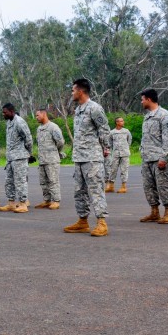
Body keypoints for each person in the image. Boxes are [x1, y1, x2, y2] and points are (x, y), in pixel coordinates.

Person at [63, 79, 111, 237]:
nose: (72, 93)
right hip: (79, 157)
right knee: (79, 191)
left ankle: (102, 222)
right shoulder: (78, 110)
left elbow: (104, 129)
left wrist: (106, 149)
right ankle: (82, 221)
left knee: (96, 190)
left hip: (92, 158)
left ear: (81, 91)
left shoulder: (94, 108)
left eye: (73, 90)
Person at [138, 89, 168, 224]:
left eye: (142, 99)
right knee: (148, 186)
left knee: (163, 186)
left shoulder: (165, 115)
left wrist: (164, 158)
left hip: (159, 158)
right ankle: (154, 212)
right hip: (147, 157)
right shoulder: (147, 116)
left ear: (149, 99)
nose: (141, 102)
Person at [0, 103, 33, 214]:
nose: (3, 114)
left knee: (20, 181)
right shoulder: (9, 122)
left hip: (20, 157)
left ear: (12, 111)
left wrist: (29, 153)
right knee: (9, 181)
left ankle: (23, 203)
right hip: (11, 158)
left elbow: (28, 139)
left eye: (5, 112)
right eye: (3, 112)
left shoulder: (19, 122)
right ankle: (11, 203)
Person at [34, 108, 65, 210]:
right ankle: (47, 200)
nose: (36, 117)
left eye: (37, 115)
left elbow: (60, 142)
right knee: (43, 182)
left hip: (52, 160)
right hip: (42, 160)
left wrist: (56, 152)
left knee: (53, 180)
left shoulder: (53, 127)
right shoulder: (39, 129)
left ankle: (56, 201)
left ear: (44, 114)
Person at [107, 117, 132, 194]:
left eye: (122, 120)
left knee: (124, 170)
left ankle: (123, 186)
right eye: (121, 121)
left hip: (125, 153)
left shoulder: (126, 131)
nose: (122, 122)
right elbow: (109, 143)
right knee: (113, 170)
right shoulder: (112, 132)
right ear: (117, 122)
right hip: (115, 154)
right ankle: (111, 186)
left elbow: (129, 140)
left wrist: (126, 148)